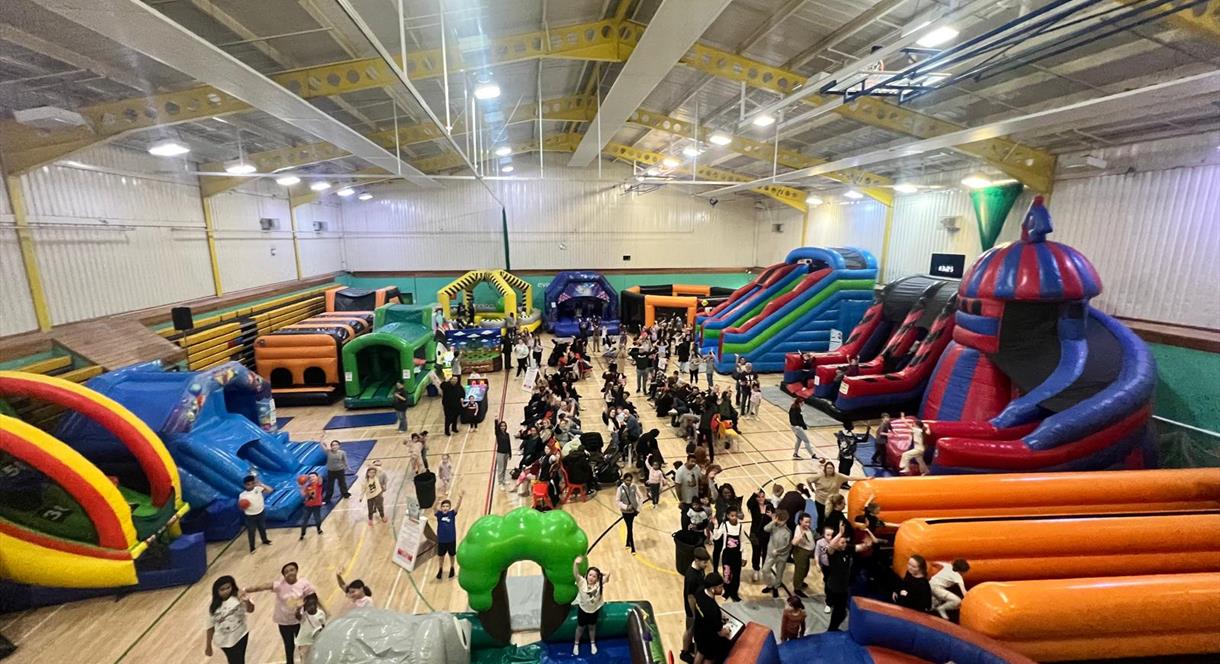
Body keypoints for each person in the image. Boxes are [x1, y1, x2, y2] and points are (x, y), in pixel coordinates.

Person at [244, 562, 317, 664]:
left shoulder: (304, 583)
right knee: (289, 645)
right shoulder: (279, 585)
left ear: (296, 571)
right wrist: (245, 590)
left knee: (303, 644)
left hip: (299, 621)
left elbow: (312, 598)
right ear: (283, 575)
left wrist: (306, 607)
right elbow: (261, 587)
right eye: (286, 572)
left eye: (292, 570)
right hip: (284, 622)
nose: (290, 573)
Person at [824, 523, 872, 631]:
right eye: (842, 542)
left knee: (841, 612)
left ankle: (833, 627)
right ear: (836, 542)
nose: (844, 544)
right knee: (840, 611)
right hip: (835, 586)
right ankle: (832, 629)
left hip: (844, 586)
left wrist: (867, 544)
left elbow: (860, 547)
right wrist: (840, 533)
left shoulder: (847, 549)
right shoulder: (833, 553)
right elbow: (831, 546)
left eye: (845, 542)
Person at [205, 575, 254, 663]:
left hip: (241, 635)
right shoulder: (213, 607)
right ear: (216, 591)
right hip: (224, 640)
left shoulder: (239, 598)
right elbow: (210, 627)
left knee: (240, 660)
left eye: (228, 587)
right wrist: (208, 646)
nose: (226, 591)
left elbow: (250, 610)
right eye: (222, 589)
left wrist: (247, 601)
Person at [810, 460, 867, 531]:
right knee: (821, 516)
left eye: (831, 468)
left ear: (834, 469)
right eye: (828, 468)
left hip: (832, 501)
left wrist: (865, 478)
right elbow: (808, 480)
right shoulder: (819, 476)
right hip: (820, 500)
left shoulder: (838, 476)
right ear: (825, 469)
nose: (829, 470)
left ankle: (830, 530)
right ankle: (820, 530)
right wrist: (812, 489)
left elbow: (850, 478)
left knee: (831, 517)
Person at [571, 555, 609, 655]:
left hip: (594, 610)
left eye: (594, 576)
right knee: (580, 627)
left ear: (597, 578)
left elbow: (608, 574)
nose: (591, 578)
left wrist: (600, 573)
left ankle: (592, 643)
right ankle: (576, 644)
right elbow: (576, 573)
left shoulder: (599, 583)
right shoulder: (582, 582)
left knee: (592, 627)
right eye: (590, 575)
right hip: (583, 610)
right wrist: (576, 563)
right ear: (587, 575)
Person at [692, 572, 732, 664]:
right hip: (709, 639)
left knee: (700, 652)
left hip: (698, 631)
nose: (722, 589)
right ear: (713, 589)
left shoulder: (700, 592)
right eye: (720, 587)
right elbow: (720, 633)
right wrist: (727, 630)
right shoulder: (713, 610)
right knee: (709, 658)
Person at [680, 548, 711, 663]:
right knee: (690, 629)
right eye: (704, 562)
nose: (706, 564)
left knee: (693, 629)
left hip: (697, 604)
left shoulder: (699, 569)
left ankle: (688, 647)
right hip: (691, 607)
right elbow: (690, 596)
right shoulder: (691, 577)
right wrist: (694, 613)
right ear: (697, 560)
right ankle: (684, 652)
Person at [712, 508, 744, 602]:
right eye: (732, 516)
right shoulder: (724, 525)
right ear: (728, 516)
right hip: (727, 554)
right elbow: (716, 536)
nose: (734, 518)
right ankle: (727, 591)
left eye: (735, 516)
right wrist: (715, 525)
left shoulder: (740, 526)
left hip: (737, 554)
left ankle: (734, 593)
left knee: (736, 575)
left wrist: (744, 556)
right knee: (727, 574)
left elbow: (743, 542)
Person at [762, 508, 792, 598]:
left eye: (781, 520)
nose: (779, 522)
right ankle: (770, 585)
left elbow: (787, 546)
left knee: (779, 572)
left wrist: (778, 551)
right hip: (770, 553)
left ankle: (776, 586)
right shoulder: (774, 526)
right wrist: (773, 521)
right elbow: (765, 529)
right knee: (765, 570)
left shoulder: (788, 532)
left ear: (785, 520)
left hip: (781, 556)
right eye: (778, 519)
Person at [239, 475, 273, 553]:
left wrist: (261, 484)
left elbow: (270, 490)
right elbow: (241, 506)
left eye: (252, 483)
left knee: (262, 527)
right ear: (245, 485)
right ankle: (252, 547)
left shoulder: (258, 489)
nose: (251, 485)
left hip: (261, 512)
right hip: (250, 516)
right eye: (248, 484)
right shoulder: (242, 495)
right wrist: (245, 505)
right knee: (251, 531)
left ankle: (265, 540)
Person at [435, 493, 463, 579]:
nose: (445, 508)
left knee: (452, 555)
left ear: (449, 508)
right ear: (441, 507)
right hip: (441, 540)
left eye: (447, 506)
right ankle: (440, 569)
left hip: (451, 540)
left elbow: (457, 507)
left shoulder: (451, 514)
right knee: (441, 556)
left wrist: (460, 498)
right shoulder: (439, 515)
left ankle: (452, 568)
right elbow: (433, 508)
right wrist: (437, 500)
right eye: (443, 506)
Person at [746, 490, 773, 582]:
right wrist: (754, 493)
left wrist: (772, 517)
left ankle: (765, 569)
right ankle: (756, 570)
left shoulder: (769, 506)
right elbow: (749, 502)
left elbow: (775, 518)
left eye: (762, 496)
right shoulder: (753, 507)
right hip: (755, 534)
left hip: (766, 533)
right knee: (756, 552)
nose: (761, 498)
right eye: (759, 497)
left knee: (766, 552)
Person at [293, 593, 326, 662]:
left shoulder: (320, 613)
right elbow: (297, 616)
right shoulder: (304, 615)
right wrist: (298, 609)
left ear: (315, 604)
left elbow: (323, 626)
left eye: (311, 605)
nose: (310, 607)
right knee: (305, 660)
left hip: (315, 640)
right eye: (307, 605)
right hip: (304, 641)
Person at [616, 472, 644, 553]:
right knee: (630, 528)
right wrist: (626, 507)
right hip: (625, 512)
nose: (628, 482)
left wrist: (638, 508)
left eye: (630, 480)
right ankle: (633, 547)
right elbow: (617, 501)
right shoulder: (620, 489)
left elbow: (641, 497)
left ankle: (628, 543)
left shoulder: (634, 486)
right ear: (624, 480)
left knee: (629, 527)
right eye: (627, 480)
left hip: (633, 511)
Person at [791, 512, 816, 597]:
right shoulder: (798, 530)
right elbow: (794, 542)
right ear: (800, 521)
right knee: (800, 571)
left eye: (809, 522)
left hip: (808, 551)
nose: (808, 524)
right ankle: (797, 588)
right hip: (801, 552)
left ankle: (800, 581)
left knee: (805, 569)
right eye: (806, 522)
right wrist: (800, 536)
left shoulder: (807, 528)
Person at [674, 455, 703, 529]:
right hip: (686, 500)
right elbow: (677, 486)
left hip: (695, 498)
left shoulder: (697, 468)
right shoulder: (680, 471)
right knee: (685, 517)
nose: (693, 463)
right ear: (687, 460)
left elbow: (700, 480)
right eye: (692, 461)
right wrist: (680, 500)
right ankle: (684, 531)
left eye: (695, 462)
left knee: (695, 517)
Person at [297, 473, 324, 540]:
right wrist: (301, 487)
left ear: (316, 477)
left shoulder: (318, 484)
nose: (311, 478)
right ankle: (302, 534)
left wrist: (316, 477)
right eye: (310, 477)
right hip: (308, 506)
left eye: (313, 476)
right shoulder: (307, 486)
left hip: (317, 505)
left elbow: (320, 479)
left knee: (317, 519)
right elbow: (303, 494)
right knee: (304, 520)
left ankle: (318, 529)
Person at [494, 419, 512, 486]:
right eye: (501, 426)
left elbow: (509, 444)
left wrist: (510, 453)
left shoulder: (507, 434)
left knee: (504, 467)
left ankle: (504, 479)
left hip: (506, 453)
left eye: (504, 426)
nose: (503, 427)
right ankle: (500, 482)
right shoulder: (498, 434)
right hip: (500, 453)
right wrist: (496, 420)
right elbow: (496, 428)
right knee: (500, 468)